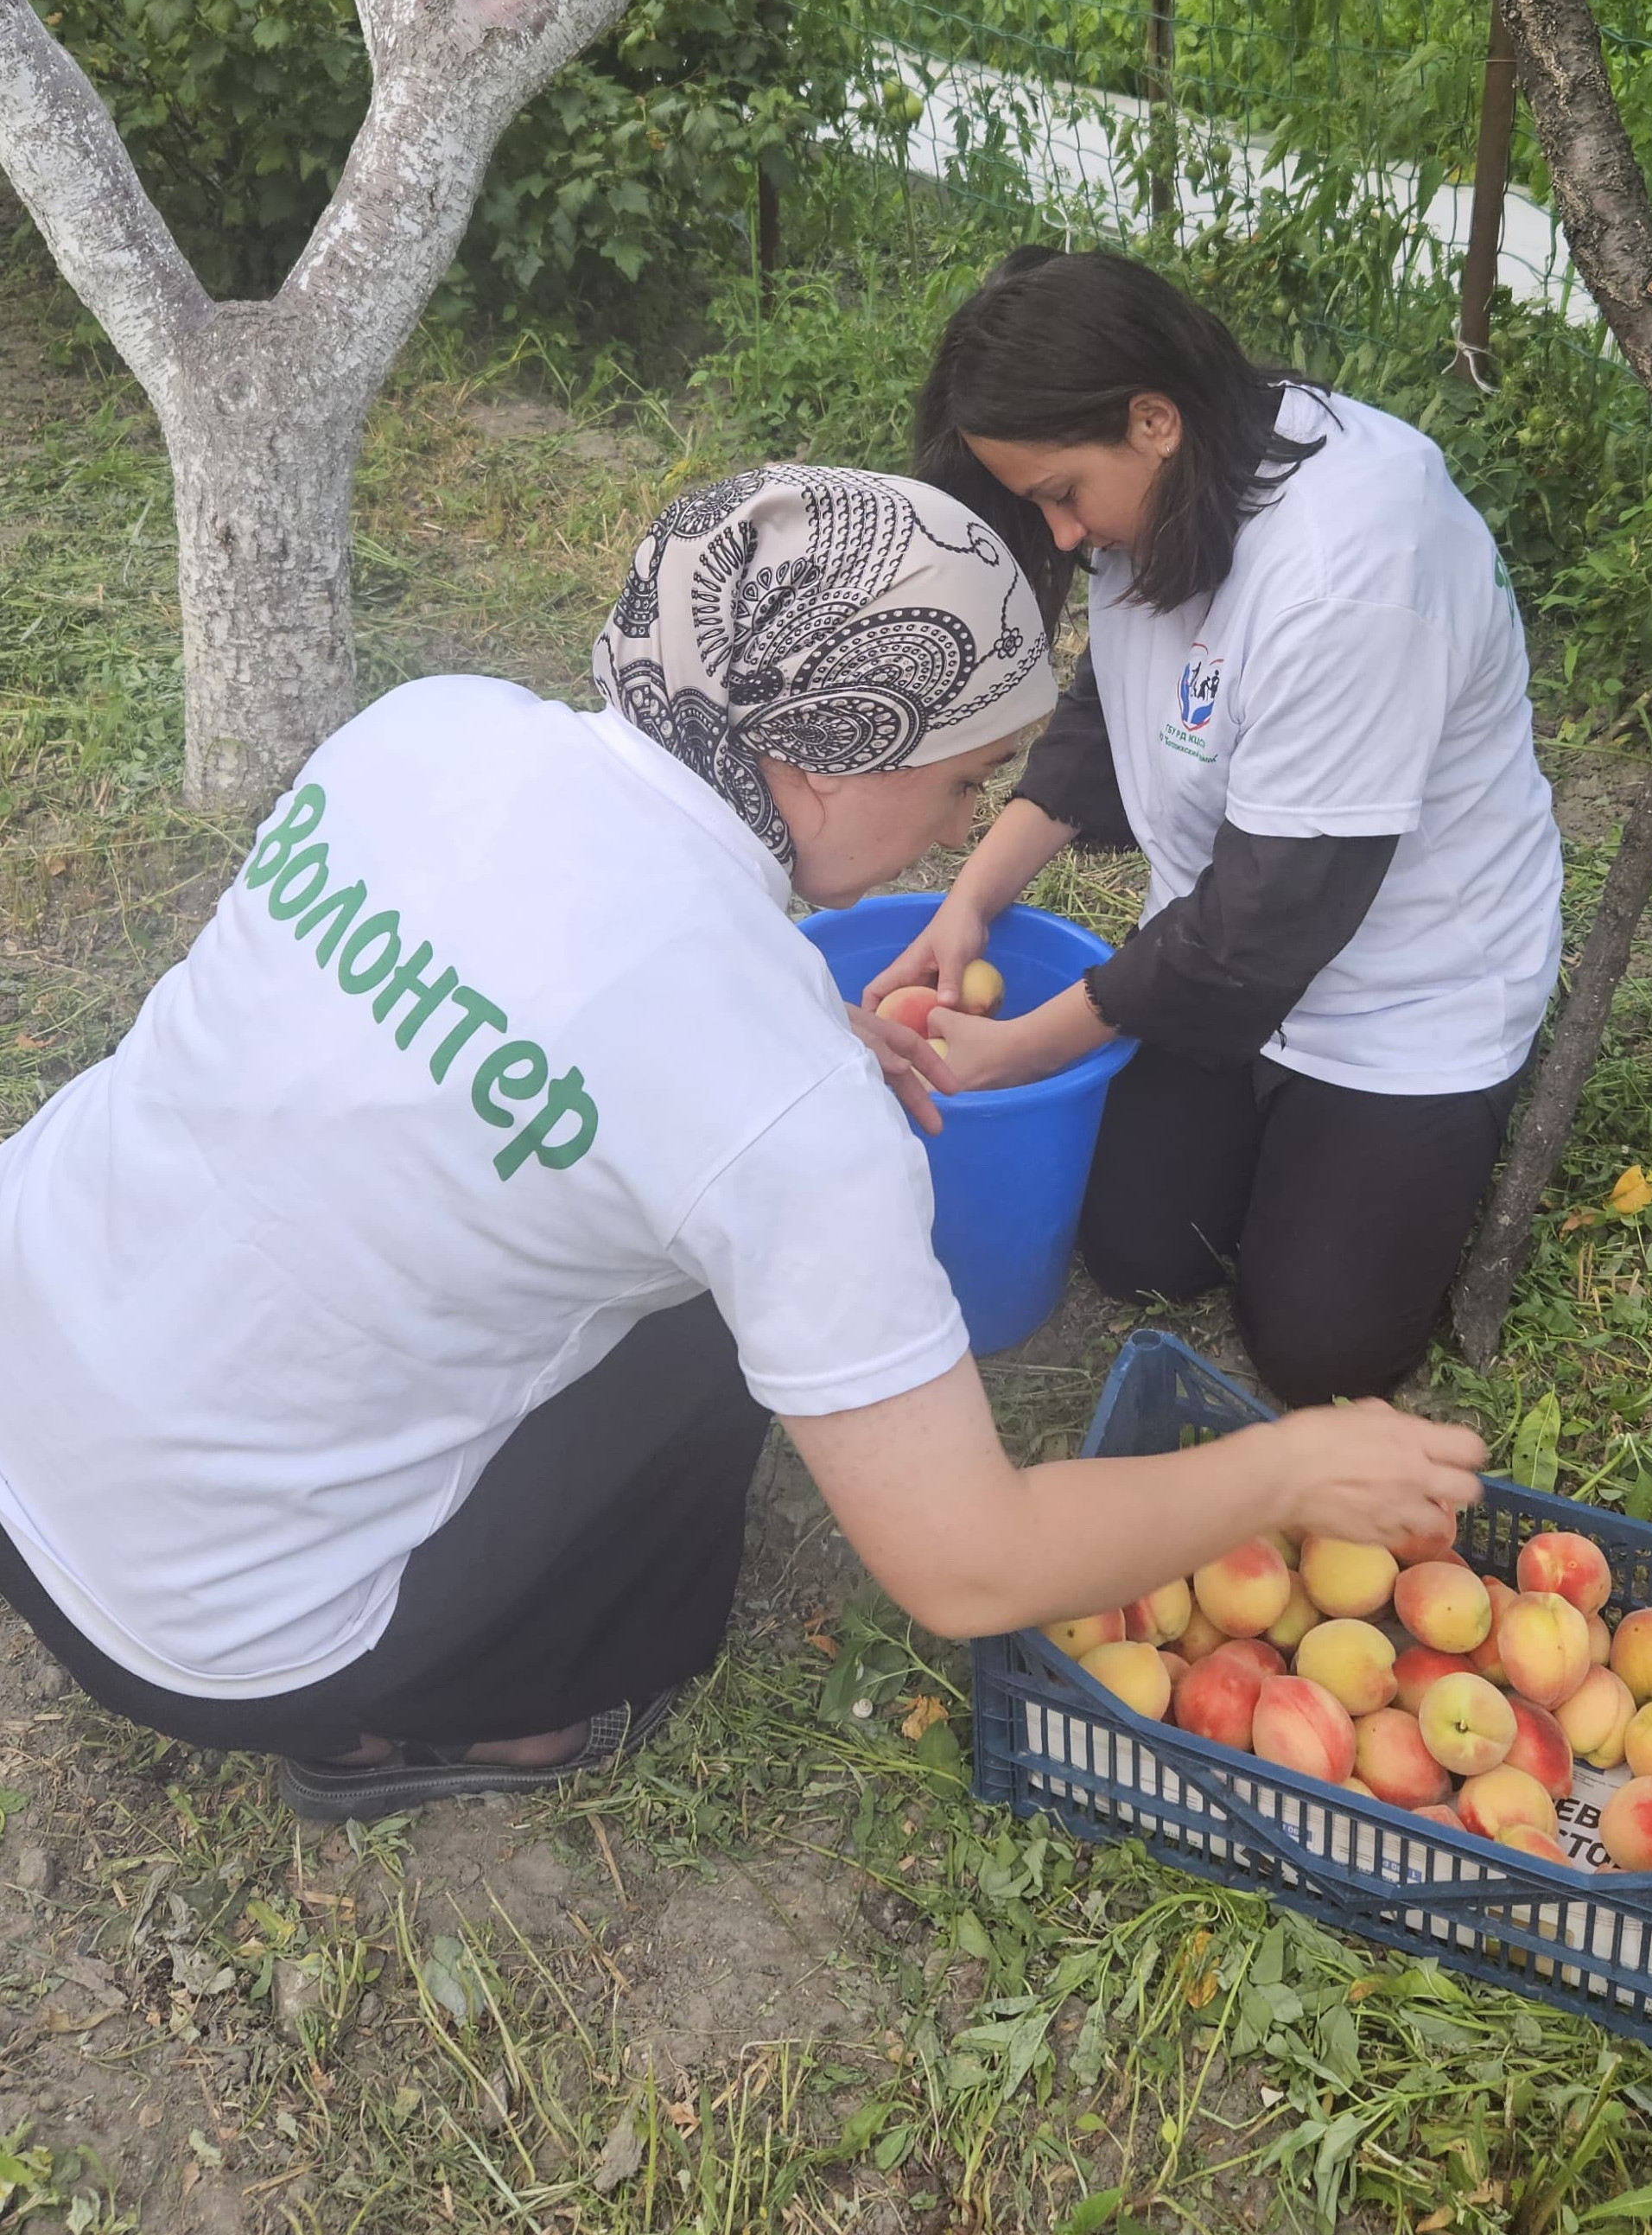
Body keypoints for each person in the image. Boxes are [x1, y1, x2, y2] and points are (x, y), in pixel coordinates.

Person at [0, 464, 1485, 1824]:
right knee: (725, 1313)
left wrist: (795, 1037)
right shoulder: (788, 1119)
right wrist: (1289, 1469)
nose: (959, 828)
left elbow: (553, 966)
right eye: (963, 782)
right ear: (832, 761)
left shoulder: (432, 724)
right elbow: (972, 1566)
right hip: (226, 1639)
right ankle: (496, 1715)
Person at [868, 251, 1563, 1408]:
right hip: (1216, 938)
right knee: (1139, 1251)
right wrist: (969, 905)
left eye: (1060, 494)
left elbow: (1267, 920)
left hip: (1398, 990)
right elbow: (1105, 715)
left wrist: (1018, 1052)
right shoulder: (1169, 485)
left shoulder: (1350, 571)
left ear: (1153, 419)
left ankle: (1411, 1132)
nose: (1061, 534)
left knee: (1322, 1352)